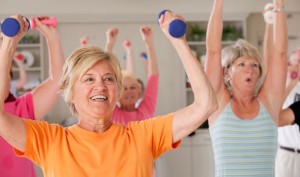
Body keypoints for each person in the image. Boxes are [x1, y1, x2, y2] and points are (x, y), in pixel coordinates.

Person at [0, 12, 217, 177]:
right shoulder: (50, 140)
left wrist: (178, 42)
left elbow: (205, 104)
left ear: (117, 90)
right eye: (88, 79)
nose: (100, 86)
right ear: (70, 91)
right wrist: (8, 44)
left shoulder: (143, 135)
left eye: (109, 78)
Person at [205, 0, 287, 176]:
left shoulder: (269, 103)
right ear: (226, 73)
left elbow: (280, 53)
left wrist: (279, 5)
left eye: (254, 65)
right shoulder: (218, 103)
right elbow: (212, 51)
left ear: (259, 73)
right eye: (241, 64)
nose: (249, 68)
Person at [0, 15, 64, 177]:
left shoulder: (21, 107)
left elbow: (57, 81)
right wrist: (9, 43)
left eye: (7, 74)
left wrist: (52, 38)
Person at [105, 26, 159, 126]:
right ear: (117, 95)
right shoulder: (113, 114)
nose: (129, 91)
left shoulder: (147, 110)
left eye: (133, 87)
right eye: (124, 89)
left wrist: (149, 44)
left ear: (139, 92)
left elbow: (153, 77)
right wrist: (110, 44)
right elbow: (104, 74)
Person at [276, 48, 300, 177]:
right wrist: (290, 83)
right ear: (290, 64)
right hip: (287, 156)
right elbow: (273, 115)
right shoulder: (283, 84)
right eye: (298, 61)